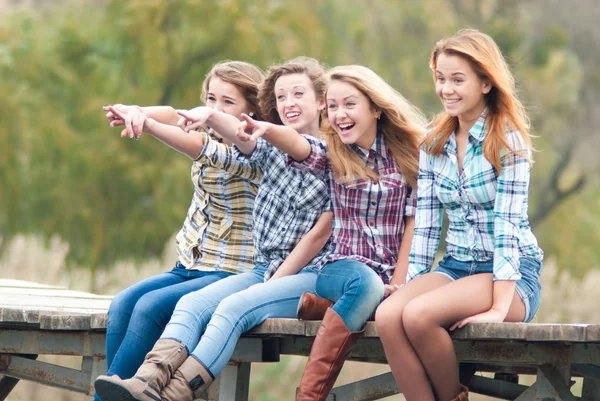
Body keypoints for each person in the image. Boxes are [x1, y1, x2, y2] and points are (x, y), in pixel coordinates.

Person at [94, 57, 333, 401]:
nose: (288, 103)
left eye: (227, 102)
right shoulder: (260, 146)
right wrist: (136, 110)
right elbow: (178, 114)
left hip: (238, 267)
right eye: (211, 98)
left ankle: (143, 395)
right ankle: (132, 388)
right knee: (123, 303)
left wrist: (148, 124)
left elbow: (203, 146)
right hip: (197, 263)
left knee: (152, 308)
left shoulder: (271, 149)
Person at [237, 64, 425, 401]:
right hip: (341, 267)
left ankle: (330, 307)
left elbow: (414, 223)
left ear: (376, 107)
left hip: (390, 272)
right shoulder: (332, 152)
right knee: (365, 284)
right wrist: (266, 129)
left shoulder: (409, 155)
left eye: (349, 104)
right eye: (333, 106)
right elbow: (300, 146)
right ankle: (309, 397)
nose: (339, 115)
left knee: (409, 311)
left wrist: (399, 282)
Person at [375, 29, 544, 401]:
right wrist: (412, 283)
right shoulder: (434, 142)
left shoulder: (508, 140)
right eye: (440, 79)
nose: (446, 89)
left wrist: (500, 307)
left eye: (457, 79)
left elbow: (507, 227)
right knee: (390, 316)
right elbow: (427, 223)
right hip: (456, 266)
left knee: (419, 317)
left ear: (485, 82)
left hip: (510, 273)